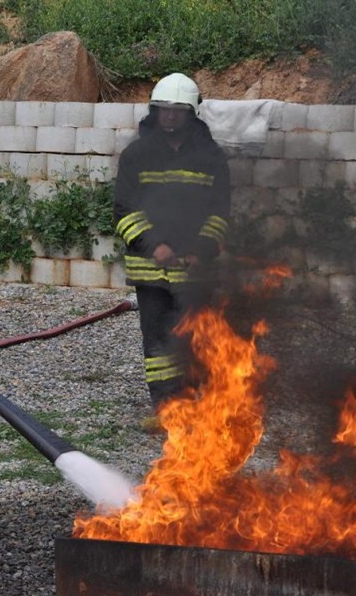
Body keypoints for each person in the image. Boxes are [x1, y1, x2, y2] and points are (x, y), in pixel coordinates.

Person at [113, 72, 231, 426]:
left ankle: (196, 403)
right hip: (151, 271)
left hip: (196, 270)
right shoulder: (136, 155)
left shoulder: (212, 157)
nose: (170, 117)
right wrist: (154, 245)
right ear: (154, 111)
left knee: (197, 337)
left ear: (192, 113)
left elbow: (220, 212)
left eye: (178, 111)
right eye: (164, 110)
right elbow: (123, 211)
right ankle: (165, 408)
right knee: (159, 342)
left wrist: (202, 250)